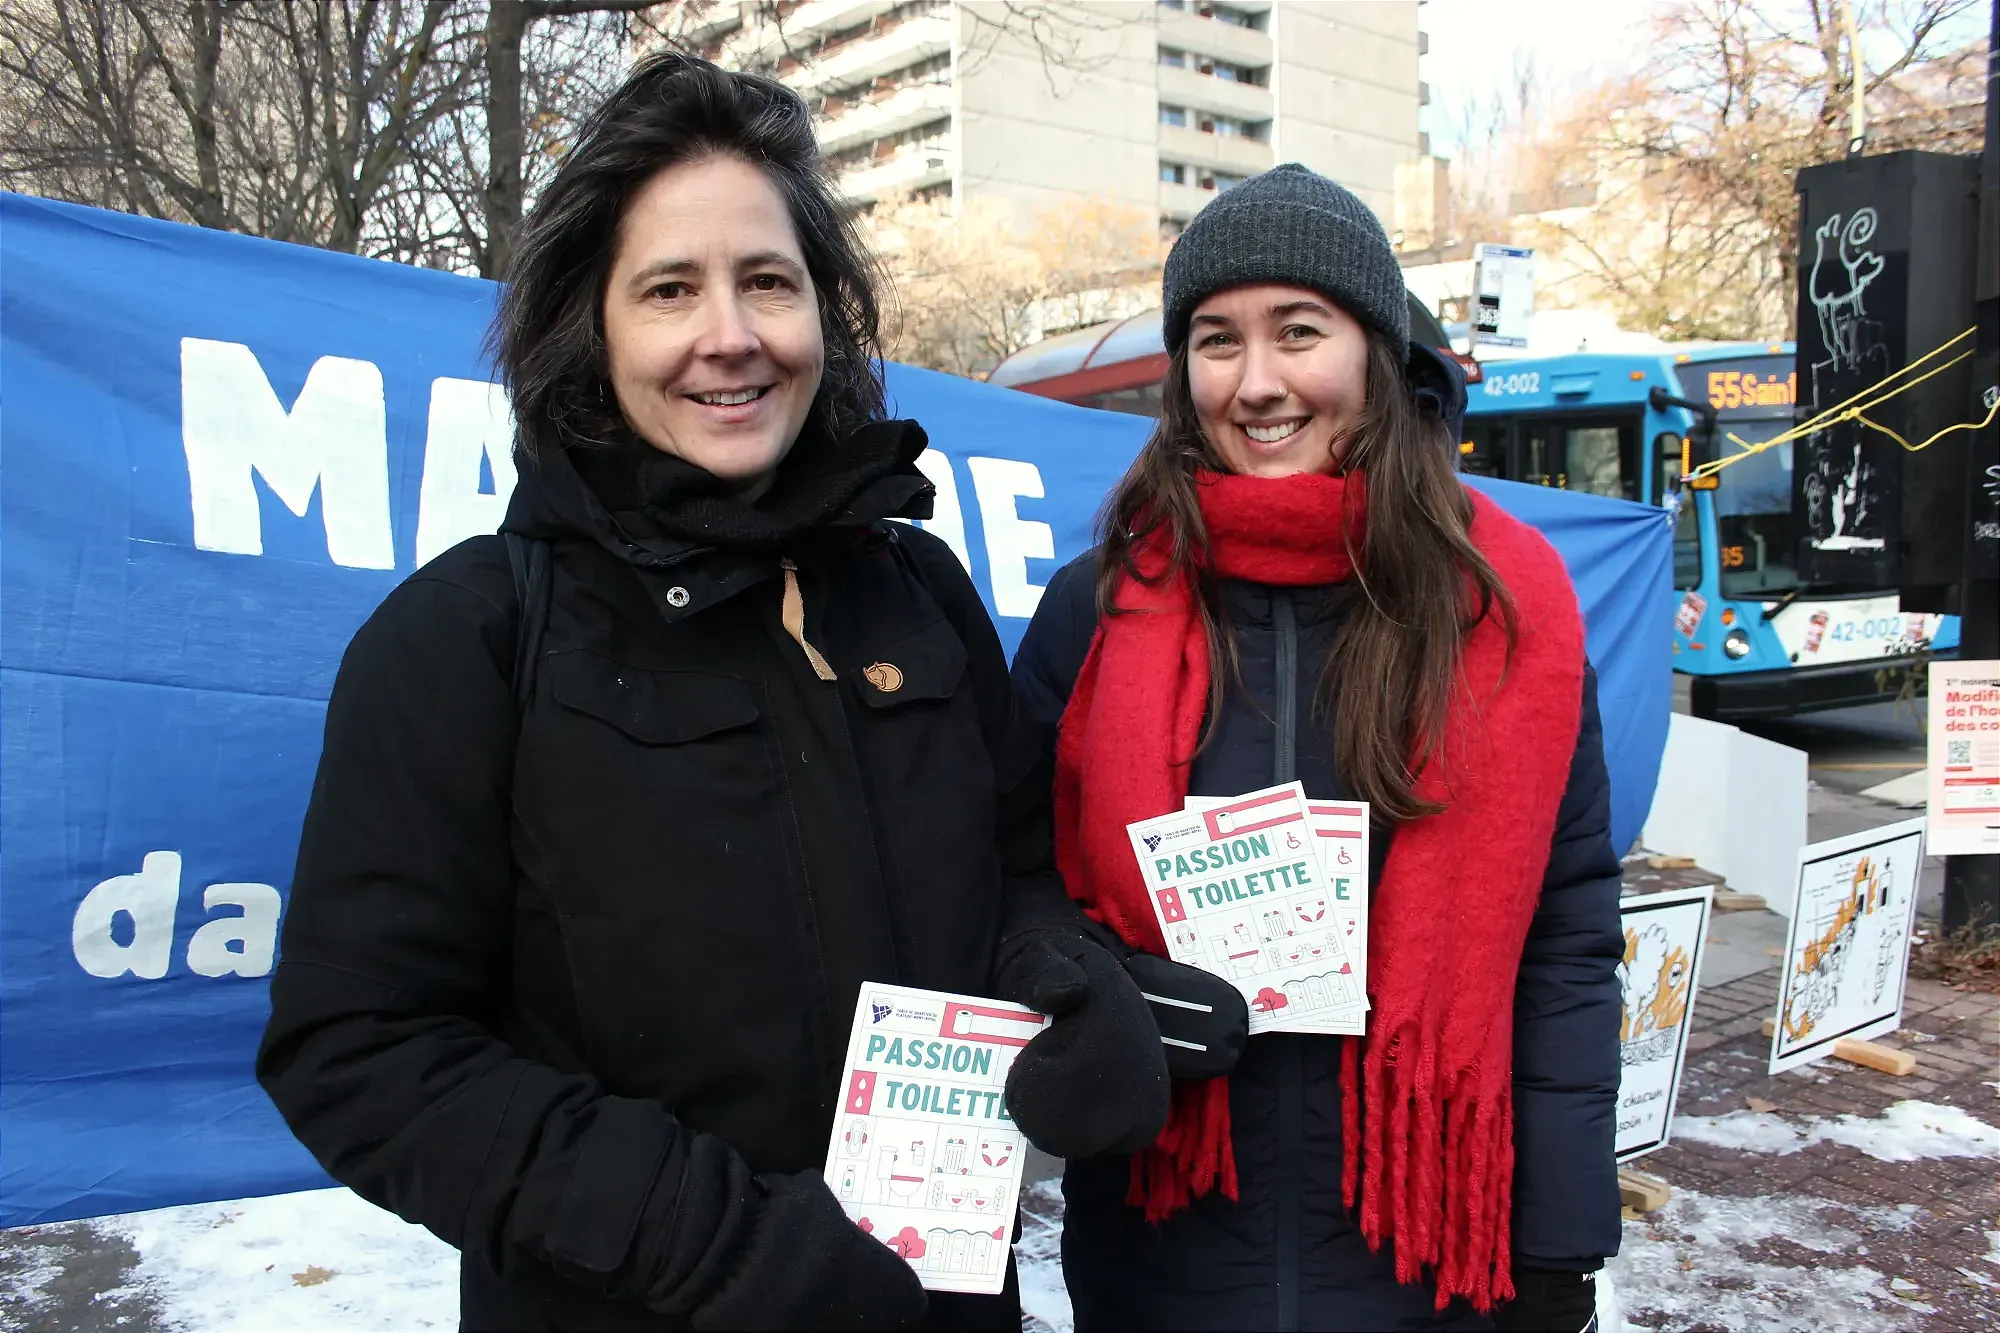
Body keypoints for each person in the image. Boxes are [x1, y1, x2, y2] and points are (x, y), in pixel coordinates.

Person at [256, 53, 1174, 1333]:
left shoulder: (915, 591)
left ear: (823, 316)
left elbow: (1015, 864)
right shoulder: (466, 636)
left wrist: (1067, 980)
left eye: (767, 283)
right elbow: (358, 1049)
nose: (728, 335)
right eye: (669, 289)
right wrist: (718, 1246)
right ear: (594, 327)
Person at [1011, 163, 1625, 1333]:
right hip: (1164, 1255)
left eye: (1298, 331)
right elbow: (1011, 866)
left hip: (1434, 1258)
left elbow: (1566, 938)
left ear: (1374, 354)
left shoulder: (1503, 612)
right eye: (1214, 340)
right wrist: (1091, 982)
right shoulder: (1096, 608)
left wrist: (1557, 1247)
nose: (1255, 384)